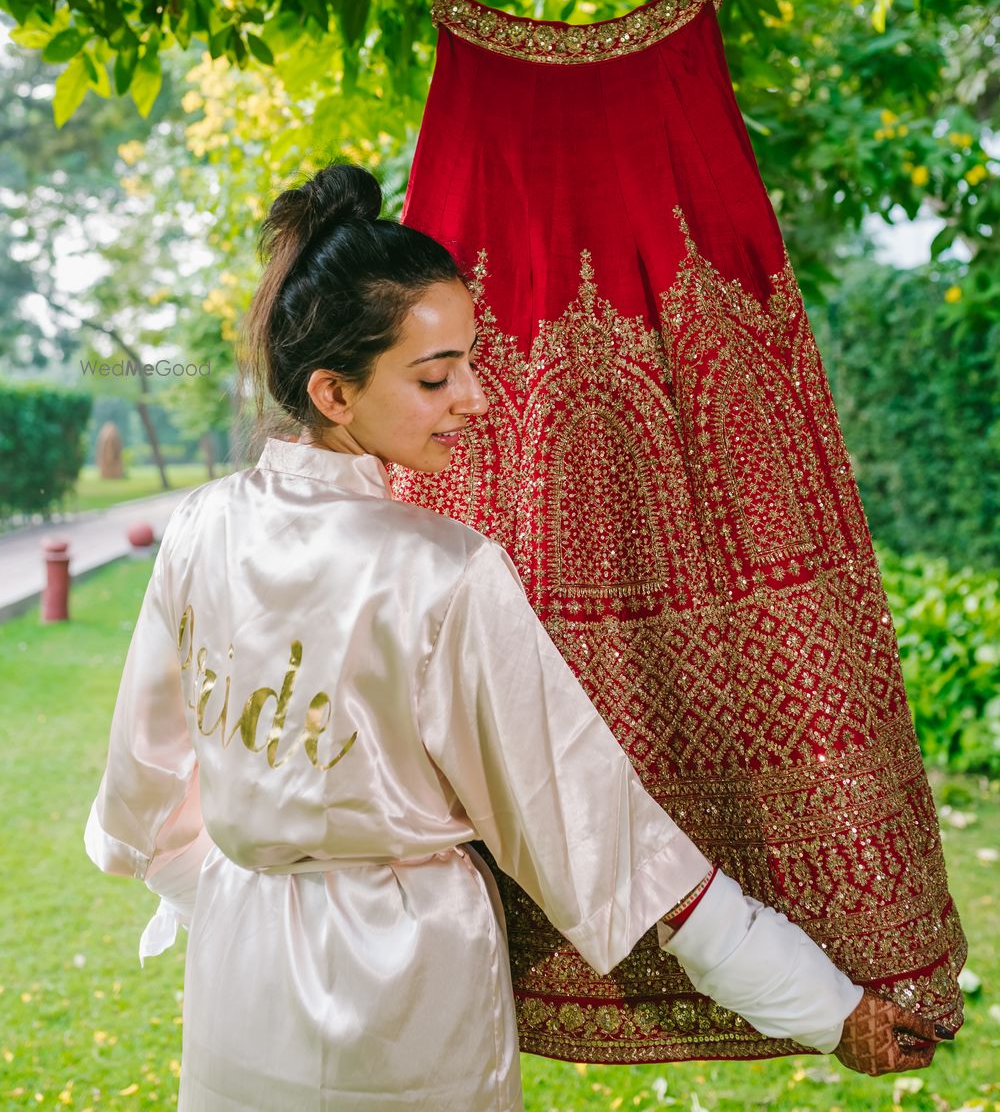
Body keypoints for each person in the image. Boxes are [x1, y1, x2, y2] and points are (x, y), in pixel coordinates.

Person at [85, 164, 952, 1111]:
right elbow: (602, 833)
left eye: (468, 360)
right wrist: (828, 1009)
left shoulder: (200, 525)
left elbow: (141, 781)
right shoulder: (443, 570)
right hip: (408, 980)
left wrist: (207, 886)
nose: (477, 398)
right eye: (435, 375)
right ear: (334, 393)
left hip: (240, 958)